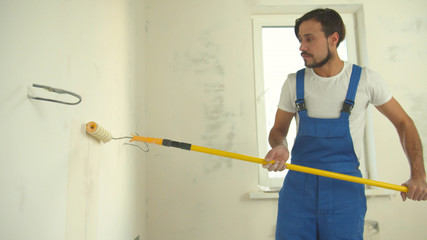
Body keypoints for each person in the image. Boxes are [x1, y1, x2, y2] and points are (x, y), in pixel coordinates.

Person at [262, 8, 427, 240]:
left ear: (333, 38)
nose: (302, 47)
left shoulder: (365, 80)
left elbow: (403, 122)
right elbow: (278, 130)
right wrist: (281, 146)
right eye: (300, 39)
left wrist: (418, 175)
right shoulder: (293, 83)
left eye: (309, 39)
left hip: (345, 189)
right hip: (299, 188)